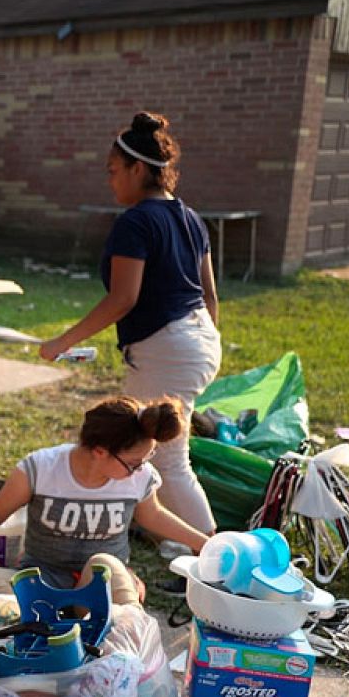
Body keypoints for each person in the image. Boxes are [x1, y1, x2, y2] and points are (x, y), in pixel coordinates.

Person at [40, 111, 222, 536]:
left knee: (167, 459)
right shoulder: (191, 218)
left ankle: (211, 551)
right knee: (152, 446)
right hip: (199, 340)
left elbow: (123, 298)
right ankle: (154, 525)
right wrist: (197, 348)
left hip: (170, 349)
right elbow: (210, 295)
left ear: (138, 169)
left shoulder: (136, 222)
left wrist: (60, 342)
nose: (111, 181)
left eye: (114, 171)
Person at [0, 395, 210, 600]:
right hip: (40, 578)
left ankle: (105, 627)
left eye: (146, 460)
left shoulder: (139, 476)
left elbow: (153, 515)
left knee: (103, 565)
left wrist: (203, 543)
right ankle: (47, 623)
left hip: (102, 581)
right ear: (100, 451)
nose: (140, 469)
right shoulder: (42, 468)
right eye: (134, 463)